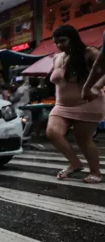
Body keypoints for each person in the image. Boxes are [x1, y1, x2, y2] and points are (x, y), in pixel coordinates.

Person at [46, 24, 104, 184]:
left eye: (63, 41)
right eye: (56, 42)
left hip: (87, 103)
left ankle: (95, 172)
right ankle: (75, 163)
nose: (59, 45)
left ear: (73, 38)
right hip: (61, 105)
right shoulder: (57, 58)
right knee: (52, 133)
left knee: (83, 139)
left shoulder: (89, 53)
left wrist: (95, 87)